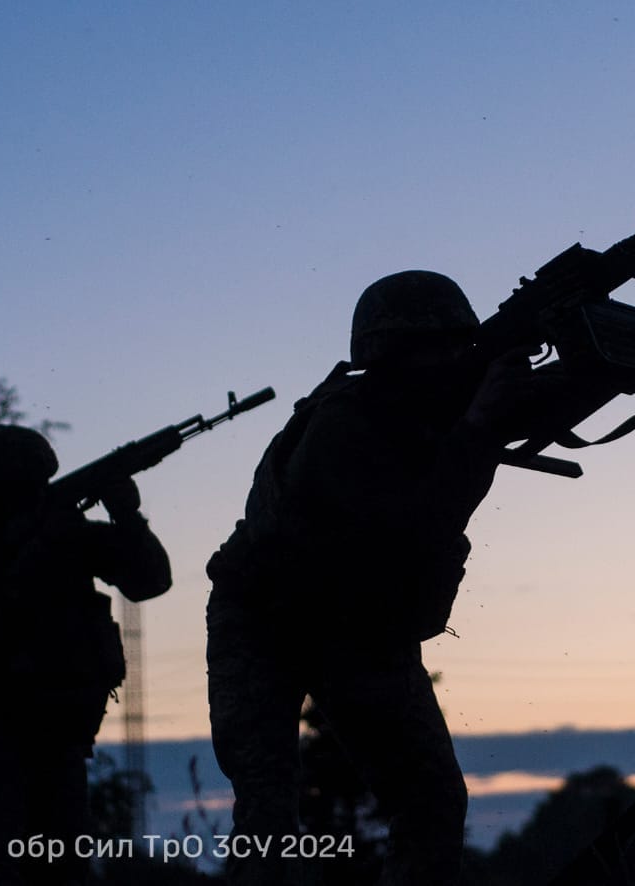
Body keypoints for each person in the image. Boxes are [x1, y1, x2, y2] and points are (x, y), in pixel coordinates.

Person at [206, 270, 539, 885]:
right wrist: (478, 426)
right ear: (390, 356)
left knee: (432, 799)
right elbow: (412, 524)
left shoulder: (427, 413)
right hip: (265, 620)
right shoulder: (345, 423)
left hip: (354, 621)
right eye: (434, 347)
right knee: (269, 812)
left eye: (457, 347)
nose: (451, 361)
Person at [0, 424, 172, 885]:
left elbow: (150, 580)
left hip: (58, 736)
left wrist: (128, 516)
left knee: (62, 870)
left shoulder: (63, 532)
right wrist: (46, 542)